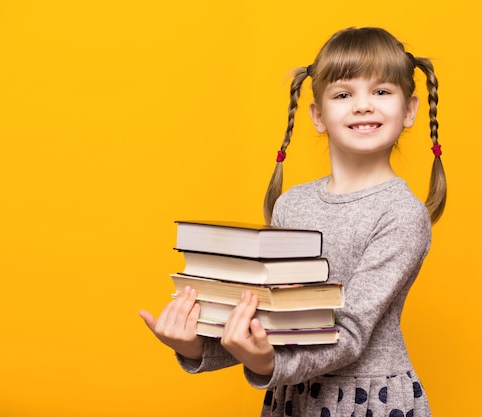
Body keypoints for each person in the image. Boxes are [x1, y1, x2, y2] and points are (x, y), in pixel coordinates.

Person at [140, 26, 446, 417]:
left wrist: (269, 365)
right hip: (295, 395)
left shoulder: (401, 214)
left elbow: (350, 334)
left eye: (381, 91)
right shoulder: (293, 204)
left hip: (367, 402)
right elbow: (274, 321)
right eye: (343, 94)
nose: (363, 105)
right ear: (318, 116)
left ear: (410, 111)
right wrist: (196, 347)